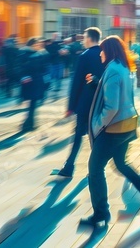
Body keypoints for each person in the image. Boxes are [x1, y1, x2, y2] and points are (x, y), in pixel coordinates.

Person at [80, 35, 140, 228]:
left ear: (108, 51)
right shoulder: (120, 67)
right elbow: (114, 92)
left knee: (94, 169)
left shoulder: (114, 71)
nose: (100, 53)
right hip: (126, 124)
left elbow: (112, 106)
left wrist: (98, 125)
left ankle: (100, 214)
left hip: (114, 128)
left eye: (102, 50)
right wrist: (97, 83)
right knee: (120, 164)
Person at [51, 28, 104, 178]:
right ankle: (96, 168)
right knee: (97, 135)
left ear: (89, 39)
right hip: (100, 103)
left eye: (84, 38)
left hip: (85, 103)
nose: (83, 41)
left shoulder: (84, 56)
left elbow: (76, 83)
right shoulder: (104, 54)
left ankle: (69, 167)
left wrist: (70, 107)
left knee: (78, 136)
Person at [18, 37, 49, 132]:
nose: (39, 46)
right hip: (30, 83)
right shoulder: (25, 54)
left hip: (36, 82)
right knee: (32, 104)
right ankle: (28, 124)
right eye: (37, 44)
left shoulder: (39, 54)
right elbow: (19, 68)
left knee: (32, 105)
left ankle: (28, 124)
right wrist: (23, 76)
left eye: (39, 44)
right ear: (31, 45)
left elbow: (43, 68)